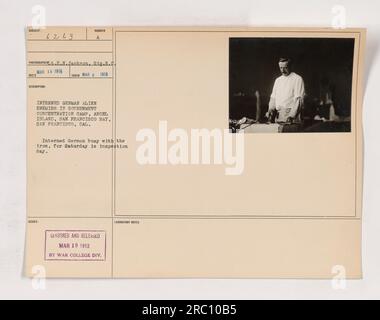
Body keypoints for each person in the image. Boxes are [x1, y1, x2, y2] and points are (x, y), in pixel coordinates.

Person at [267, 58, 305, 123]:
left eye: (285, 68)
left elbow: (298, 101)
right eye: (281, 68)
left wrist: (291, 116)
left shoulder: (297, 79)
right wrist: (270, 109)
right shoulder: (278, 80)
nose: (282, 70)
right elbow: (273, 98)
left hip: (292, 117)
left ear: (290, 66)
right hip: (278, 116)